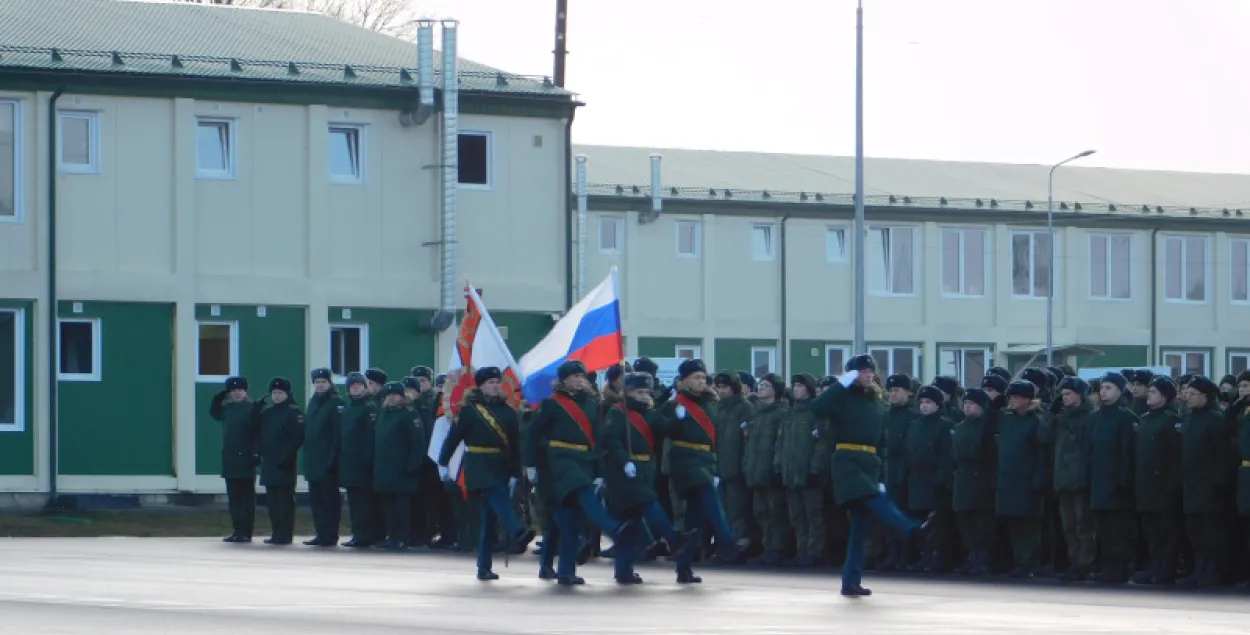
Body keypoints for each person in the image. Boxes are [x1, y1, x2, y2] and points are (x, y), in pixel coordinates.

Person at [811, 355, 931, 597]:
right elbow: (817, 408)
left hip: (870, 461)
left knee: (860, 528)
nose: (866, 375)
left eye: (869, 371)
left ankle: (850, 581)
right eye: (861, 371)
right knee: (875, 499)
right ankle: (912, 529)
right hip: (847, 459)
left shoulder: (876, 400)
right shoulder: (841, 396)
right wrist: (841, 383)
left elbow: (881, 437)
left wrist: (881, 469)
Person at [524, 360, 636, 585]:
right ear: (563, 379)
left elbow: (597, 437)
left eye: (581, 376)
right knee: (582, 492)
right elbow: (532, 434)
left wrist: (599, 468)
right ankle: (613, 528)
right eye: (573, 376)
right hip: (559, 462)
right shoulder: (551, 403)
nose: (578, 379)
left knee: (567, 520)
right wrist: (531, 464)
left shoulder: (592, 402)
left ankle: (557, 569)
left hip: (584, 459)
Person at [439, 366, 537, 579]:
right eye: (490, 382)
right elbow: (454, 438)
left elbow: (514, 444)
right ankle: (517, 531)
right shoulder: (469, 411)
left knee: (490, 518)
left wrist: (514, 472)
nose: (495, 386)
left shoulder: (507, 411)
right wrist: (443, 462)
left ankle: (484, 566)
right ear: (480, 386)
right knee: (496, 494)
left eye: (496, 382)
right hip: (477, 463)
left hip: (500, 463)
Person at [599, 372, 699, 583]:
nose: (644, 396)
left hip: (645, 468)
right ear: (627, 392)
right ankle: (673, 539)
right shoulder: (617, 413)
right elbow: (611, 441)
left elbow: (669, 430)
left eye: (646, 392)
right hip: (623, 471)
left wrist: (680, 419)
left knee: (631, 521)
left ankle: (624, 571)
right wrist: (625, 460)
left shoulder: (650, 413)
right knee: (648, 502)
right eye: (639, 392)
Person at [659, 359, 748, 583]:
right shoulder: (674, 403)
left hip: (706, 458)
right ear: (684, 380)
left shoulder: (710, 401)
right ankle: (727, 539)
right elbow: (661, 428)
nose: (701, 382)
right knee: (710, 495)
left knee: (694, 518)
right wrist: (675, 418)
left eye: (702, 377)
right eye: (696, 377)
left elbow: (714, 432)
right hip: (685, 459)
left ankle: (683, 567)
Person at [1088, 372, 1139, 583]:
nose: (1104, 391)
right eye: (1102, 387)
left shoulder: (1126, 417)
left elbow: (1128, 452)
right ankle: (1107, 566)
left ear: (1120, 390)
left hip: (1118, 483)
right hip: (1099, 481)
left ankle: (1120, 568)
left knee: (1118, 529)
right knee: (1103, 529)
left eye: (1109, 387)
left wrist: (1124, 481)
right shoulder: (1095, 417)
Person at [775, 373, 829, 567]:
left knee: (813, 515)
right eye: (795, 386)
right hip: (791, 474)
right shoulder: (789, 414)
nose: (796, 389)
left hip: (808, 474)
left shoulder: (815, 413)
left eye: (800, 386)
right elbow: (781, 443)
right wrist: (778, 465)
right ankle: (801, 551)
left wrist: (815, 468)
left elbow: (821, 444)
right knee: (797, 516)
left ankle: (814, 552)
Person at [1134, 375, 1183, 585]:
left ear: (1164, 396)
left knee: (1166, 531)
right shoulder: (1145, 419)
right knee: (1151, 531)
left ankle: (1166, 568)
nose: (1148, 394)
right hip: (1145, 484)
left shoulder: (1171, 420)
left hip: (1163, 485)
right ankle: (1154, 566)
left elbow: (1175, 456)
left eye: (1153, 392)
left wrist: (1171, 484)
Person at [904, 385, 955, 573]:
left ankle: (937, 556)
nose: (924, 406)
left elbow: (947, 455)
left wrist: (942, 479)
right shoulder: (914, 425)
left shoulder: (945, 425)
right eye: (922, 402)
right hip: (917, 480)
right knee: (919, 520)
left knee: (936, 522)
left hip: (934, 480)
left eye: (929, 402)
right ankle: (924, 555)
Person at [1049, 376, 1095, 581]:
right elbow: (1043, 436)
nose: (1064, 398)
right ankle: (1073, 560)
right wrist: (1051, 413)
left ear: (1079, 395)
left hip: (1081, 478)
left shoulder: (1090, 417)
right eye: (1062, 394)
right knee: (1068, 525)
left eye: (1068, 394)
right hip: (1063, 478)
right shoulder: (1061, 417)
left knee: (1083, 525)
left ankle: (1085, 563)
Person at [374, 381, 427, 551]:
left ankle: (401, 537)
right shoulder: (383, 413)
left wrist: (413, 465)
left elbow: (418, 442)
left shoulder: (409, 414)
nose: (391, 398)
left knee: (401, 507)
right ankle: (391, 535)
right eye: (388, 395)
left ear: (402, 396)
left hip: (402, 469)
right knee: (387, 506)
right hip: (384, 469)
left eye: (395, 395)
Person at [743, 373, 789, 566]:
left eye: (767, 385)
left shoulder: (781, 413)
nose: (761, 387)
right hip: (755, 470)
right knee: (760, 512)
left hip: (770, 470)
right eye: (760, 384)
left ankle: (776, 549)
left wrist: (777, 467)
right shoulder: (756, 414)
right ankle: (765, 547)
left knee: (774, 513)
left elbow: (781, 444)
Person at [254, 377, 305, 545]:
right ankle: (276, 532)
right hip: (269, 462)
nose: (276, 396)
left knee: (284, 501)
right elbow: (257, 432)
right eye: (274, 393)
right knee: (272, 501)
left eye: (280, 393)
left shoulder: (293, 411)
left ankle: (285, 533)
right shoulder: (268, 412)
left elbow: (297, 437)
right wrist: (256, 409)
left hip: (285, 463)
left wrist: (286, 457)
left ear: (287, 394)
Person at [951, 388, 996, 576]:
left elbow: (992, 456)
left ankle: (982, 557)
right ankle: (971, 556)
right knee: (965, 520)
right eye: (966, 403)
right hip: (963, 478)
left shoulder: (986, 428)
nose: (967, 407)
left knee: (982, 522)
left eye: (972, 404)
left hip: (981, 478)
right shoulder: (959, 428)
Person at [209, 375, 258, 543]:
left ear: (246, 391)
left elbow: (258, 434)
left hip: (247, 458)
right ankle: (237, 530)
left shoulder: (253, 408)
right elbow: (214, 412)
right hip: (230, 460)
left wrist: (256, 454)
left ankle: (246, 531)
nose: (237, 393)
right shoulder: (227, 409)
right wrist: (220, 395)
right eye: (233, 391)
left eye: (240, 390)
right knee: (234, 499)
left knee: (246, 499)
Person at [339, 372, 382, 548]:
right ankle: (357, 533)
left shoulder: (370, 407)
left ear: (365, 387)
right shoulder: (349, 408)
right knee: (354, 502)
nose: (355, 387)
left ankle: (366, 535)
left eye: (358, 385)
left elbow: (370, 438)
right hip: (350, 463)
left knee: (365, 503)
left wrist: (367, 460)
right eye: (352, 385)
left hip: (364, 465)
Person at [303, 368, 345, 547]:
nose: (320, 385)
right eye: (317, 382)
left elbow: (338, 434)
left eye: (323, 382)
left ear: (330, 383)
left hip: (328, 461)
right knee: (317, 501)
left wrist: (332, 459)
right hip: (313, 460)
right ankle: (320, 533)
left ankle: (330, 535)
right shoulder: (313, 402)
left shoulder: (336, 402)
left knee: (329, 501)